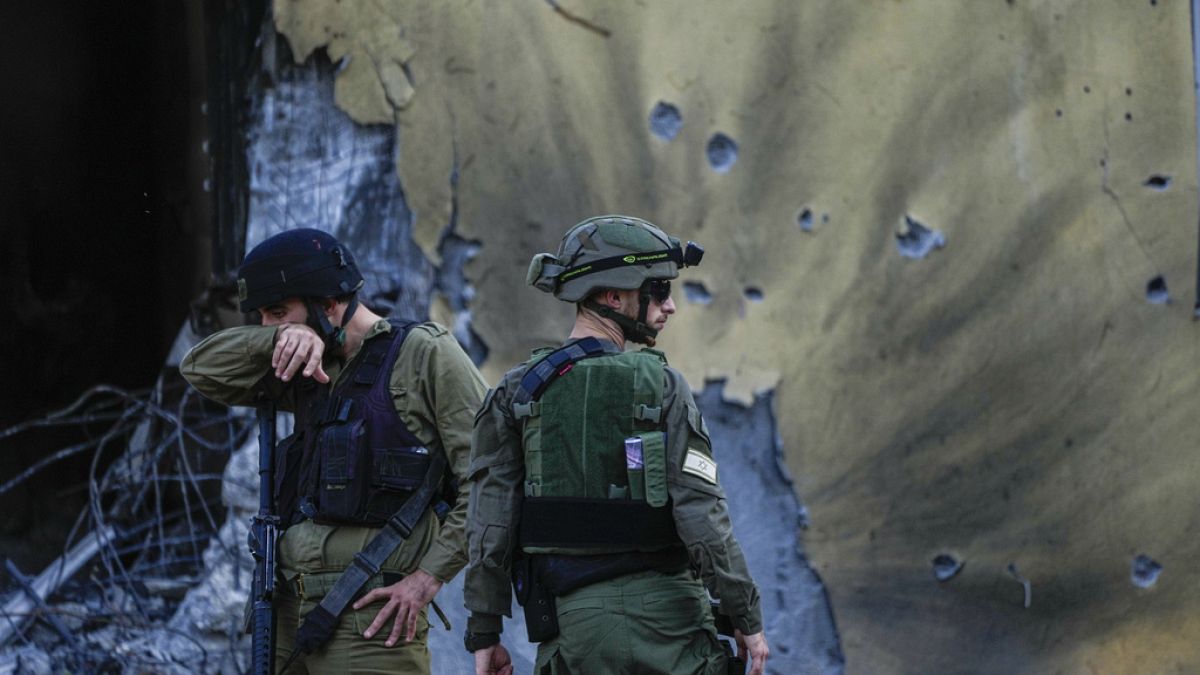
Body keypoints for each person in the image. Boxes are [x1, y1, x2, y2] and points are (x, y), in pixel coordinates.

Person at [463, 215, 770, 675]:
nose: (669, 307)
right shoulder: (663, 385)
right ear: (614, 296)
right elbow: (702, 515)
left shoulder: (516, 393)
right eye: (660, 291)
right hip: (672, 632)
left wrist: (484, 630)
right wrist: (745, 616)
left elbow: (490, 522)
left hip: (574, 635)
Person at [181, 228, 487, 674]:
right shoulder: (307, 367)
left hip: (369, 612)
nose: (271, 326)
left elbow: (487, 477)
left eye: (278, 312)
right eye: (264, 316)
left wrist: (427, 580)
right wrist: (277, 339)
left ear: (329, 304)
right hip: (285, 605)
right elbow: (201, 370)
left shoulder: (423, 353)